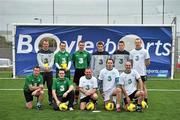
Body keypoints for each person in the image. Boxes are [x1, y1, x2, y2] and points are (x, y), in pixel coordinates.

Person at [129, 38, 150, 104]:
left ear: (141, 43)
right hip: (134, 73)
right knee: (135, 87)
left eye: (138, 42)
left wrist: (143, 67)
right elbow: (131, 62)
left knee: (143, 86)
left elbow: (148, 61)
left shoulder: (145, 51)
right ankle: (137, 100)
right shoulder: (132, 52)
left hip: (142, 72)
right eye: (136, 42)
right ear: (135, 43)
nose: (137, 44)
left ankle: (145, 100)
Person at [72, 40, 91, 104]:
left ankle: (87, 99)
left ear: (84, 46)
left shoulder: (87, 53)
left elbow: (88, 62)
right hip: (78, 70)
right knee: (77, 87)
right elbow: (74, 62)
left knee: (86, 85)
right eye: (80, 45)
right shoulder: (75, 53)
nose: (81, 46)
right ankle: (75, 100)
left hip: (84, 71)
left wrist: (86, 69)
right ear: (78, 45)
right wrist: (78, 67)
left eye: (82, 45)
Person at [37, 38, 54, 105]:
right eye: (44, 44)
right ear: (42, 44)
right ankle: (39, 102)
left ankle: (50, 101)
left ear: (48, 44)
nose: (45, 45)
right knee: (40, 87)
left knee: (50, 87)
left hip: (49, 72)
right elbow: (39, 62)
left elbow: (52, 61)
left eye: (47, 44)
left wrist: (49, 67)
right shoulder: (39, 52)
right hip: (42, 72)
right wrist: (45, 68)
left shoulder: (51, 52)